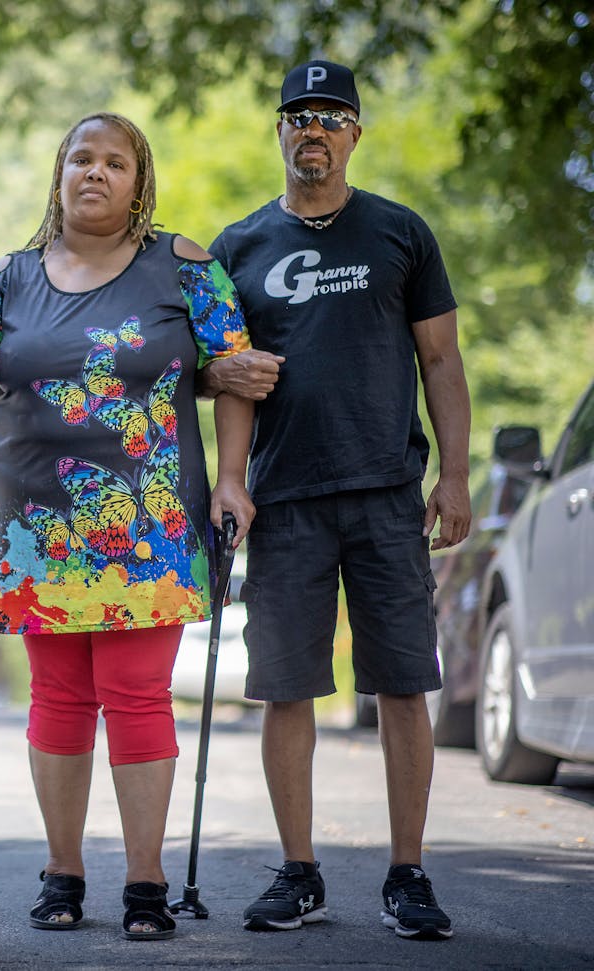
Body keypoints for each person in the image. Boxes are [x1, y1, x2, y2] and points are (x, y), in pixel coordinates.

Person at [0, 112, 256, 942]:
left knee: (135, 694)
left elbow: (236, 371)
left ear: (140, 181)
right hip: (33, 525)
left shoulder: (185, 265)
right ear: (58, 173)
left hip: (149, 519)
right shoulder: (6, 278)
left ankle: (145, 880)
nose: (96, 172)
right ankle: (61, 872)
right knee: (56, 695)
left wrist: (231, 479)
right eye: (81, 158)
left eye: (115, 162)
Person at [205, 59, 471, 941]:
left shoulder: (400, 233)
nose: (311, 129)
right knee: (287, 689)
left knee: (402, 684)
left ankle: (408, 874)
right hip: (284, 501)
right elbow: (233, 378)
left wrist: (457, 475)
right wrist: (231, 479)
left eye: (330, 115)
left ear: (355, 132)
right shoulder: (240, 247)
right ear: (278, 131)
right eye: (297, 115)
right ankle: (299, 871)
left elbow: (441, 360)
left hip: (390, 492)